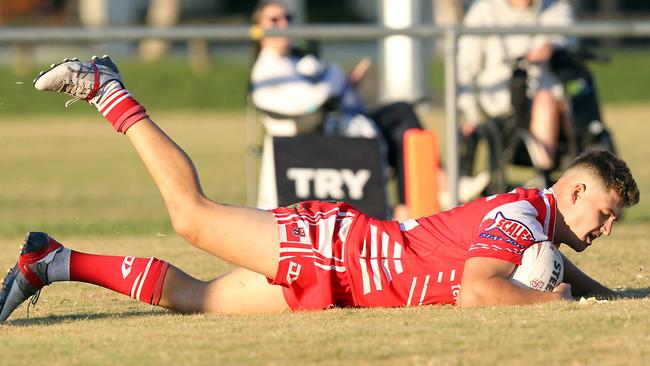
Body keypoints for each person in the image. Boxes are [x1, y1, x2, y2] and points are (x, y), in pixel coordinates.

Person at [0, 55, 639, 322]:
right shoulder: (526, 217)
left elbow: (538, 266)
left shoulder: (535, 221)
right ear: (575, 193)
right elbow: (481, 287)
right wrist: (548, 304)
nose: (607, 229)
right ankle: (107, 87)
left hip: (345, 280)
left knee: (198, 299)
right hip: (338, 251)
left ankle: (51, 260)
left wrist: (600, 296)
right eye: (607, 214)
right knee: (192, 217)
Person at [249, 1, 488, 219]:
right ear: (259, 29)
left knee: (402, 116)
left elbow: (323, 94)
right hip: (319, 137)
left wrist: (341, 85)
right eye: (274, 20)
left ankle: (433, 187)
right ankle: (439, 187)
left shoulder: (298, 60)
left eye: (287, 18)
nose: (284, 24)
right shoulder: (267, 70)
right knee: (401, 118)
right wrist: (336, 81)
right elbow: (310, 103)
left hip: (338, 125)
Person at [457, 0, 576, 172]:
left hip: (559, 103)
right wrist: (471, 115)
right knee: (545, 99)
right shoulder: (483, 11)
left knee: (574, 96)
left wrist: (551, 47)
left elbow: (568, 35)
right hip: (506, 110)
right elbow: (464, 69)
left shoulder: (555, 7)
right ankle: (546, 174)